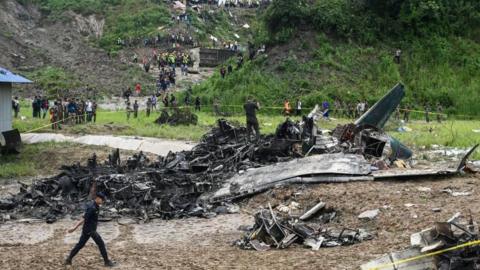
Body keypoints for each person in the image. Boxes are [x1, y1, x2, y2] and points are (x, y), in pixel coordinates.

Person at [65, 192, 116, 267]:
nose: (103, 201)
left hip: (87, 230)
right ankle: (107, 262)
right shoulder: (92, 208)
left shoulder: (96, 206)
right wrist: (74, 228)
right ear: (98, 199)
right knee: (101, 244)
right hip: (90, 230)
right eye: (102, 200)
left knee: (80, 245)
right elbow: (84, 218)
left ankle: (68, 259)